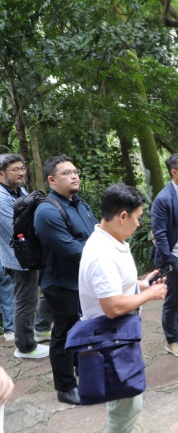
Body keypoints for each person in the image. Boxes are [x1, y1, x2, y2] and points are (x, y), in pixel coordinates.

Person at [78, 184, 167, 433]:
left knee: (124, 402)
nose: (139, 224)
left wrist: (141, 284)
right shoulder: (102, 254)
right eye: (138, 218)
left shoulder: (111, 240)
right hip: (111, 340)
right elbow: (112, 306)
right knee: (126, 407)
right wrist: (150, 294)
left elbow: (114, 287)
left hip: (118, 336)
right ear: (123, 216)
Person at [34, 155, 98, 405]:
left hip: (83, 280)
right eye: (67, 173)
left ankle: (84, 371)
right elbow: (70, 248)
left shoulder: (80, 203)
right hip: (61, 284)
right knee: (64, 334)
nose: (74, 176)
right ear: (52, 180)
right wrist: (102, 258)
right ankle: (65, 387)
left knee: (83, 328)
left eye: (75, 172)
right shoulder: (47, 211)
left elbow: (96, 234)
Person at [0, 154, 51, 358]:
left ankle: (41, 328)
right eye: (16, 170)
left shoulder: (19, 190)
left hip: (35, 252)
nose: (21, 173)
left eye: (22, 168)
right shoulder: (1, 198)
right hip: (19, 259)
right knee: (26, 301)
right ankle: (25, 347)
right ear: (1, 174)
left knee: (51, 286)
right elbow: (15, 228)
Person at [151, 153, 178, 357]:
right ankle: (172, 340)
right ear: (174, 172)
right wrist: (169, 261)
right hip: (174, 256)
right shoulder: (163, 199)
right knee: (172, 300)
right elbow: (159, 233)